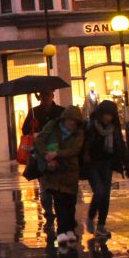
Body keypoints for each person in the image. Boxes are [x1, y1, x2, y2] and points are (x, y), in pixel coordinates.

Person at [35, 105, 84, 247]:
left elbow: (74, 150)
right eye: (69, 119)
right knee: (59, 202)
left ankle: (69, 229)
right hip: (54, 170)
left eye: (74, 121)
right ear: (64, 118)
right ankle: (62, 232)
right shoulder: (52, 126)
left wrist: (56, 154)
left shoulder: (78, 133)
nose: (71, 123)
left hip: (70, 171)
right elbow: (39, 142)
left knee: (70, 203)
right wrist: (46, 155)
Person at [83, 100, 127, 238]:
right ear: (101, 113)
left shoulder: (113, 128)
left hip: (107, 163)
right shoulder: (91, 125)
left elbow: (120, 145)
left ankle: (101, 225)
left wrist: (126, 164)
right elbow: (84, 143)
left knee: (106, 195)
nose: (108, 118)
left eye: (111, 115)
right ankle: (90, 217)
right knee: (99, 191)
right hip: (92, 164)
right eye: (106, 114)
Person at [22, 90, 64, 227]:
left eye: (48, 95)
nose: (45, 98)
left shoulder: (60, 111)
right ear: (40, 97)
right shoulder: (34, 112)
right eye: (43, 95)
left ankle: (60, 210)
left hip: (57, 152)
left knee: (58, 184)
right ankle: (48, 212)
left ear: (52, 96)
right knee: (45, 186)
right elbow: (25, 130)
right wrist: (32, 126)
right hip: (40, 152)